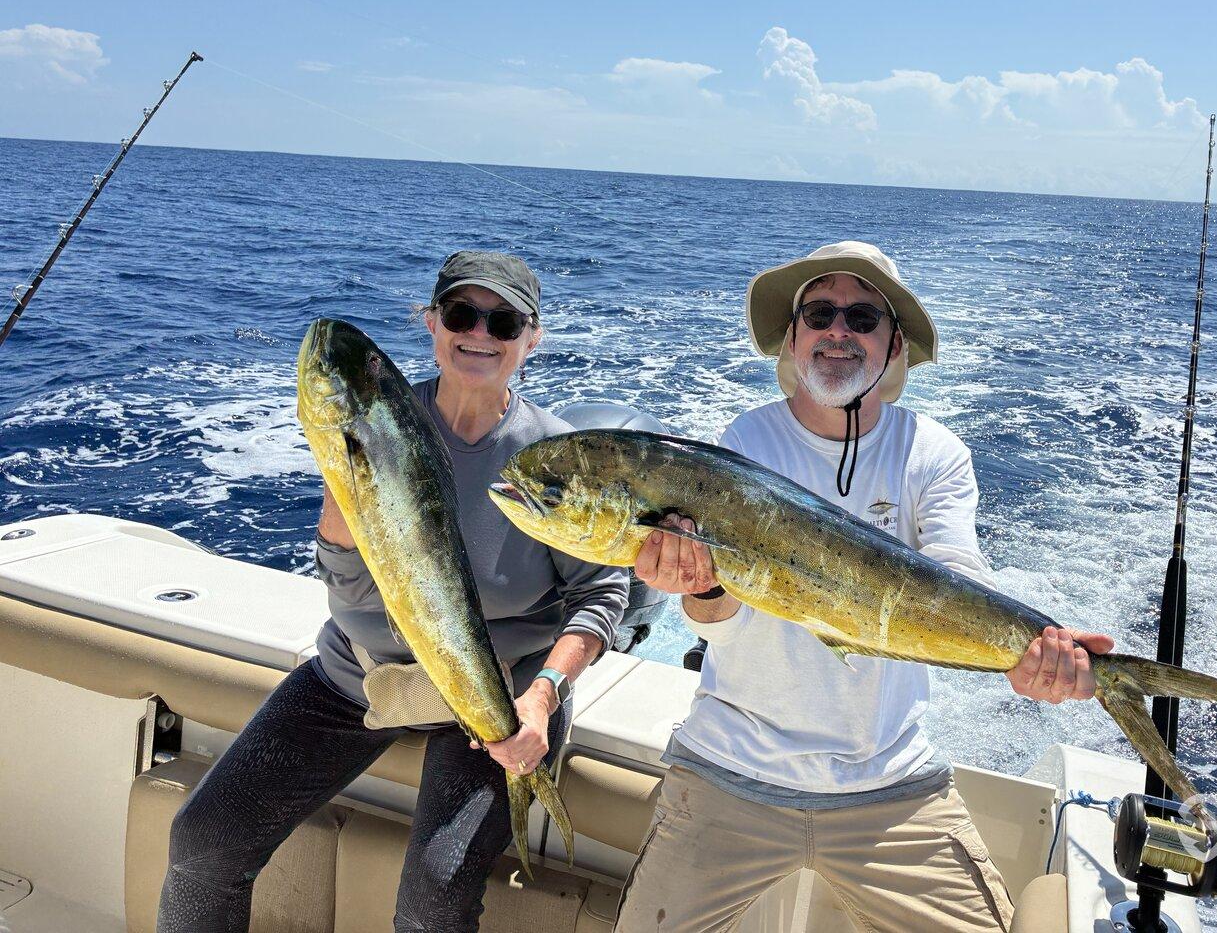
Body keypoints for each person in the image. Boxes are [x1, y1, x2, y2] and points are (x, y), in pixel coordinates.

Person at [617, 241, 1115, 933]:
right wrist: (698, 590)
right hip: (730, 774)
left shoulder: (934, 452)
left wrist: (1030, 652)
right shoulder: (746, 443)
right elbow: (719, 619)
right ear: (792, 339)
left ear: (894, 345)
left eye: (862, 317)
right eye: (818, 313)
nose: (838, 331)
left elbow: (958, 573)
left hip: (893, 789)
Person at [158, 251, 629, 933]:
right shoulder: (376, 423)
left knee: (434, 900)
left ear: (533, 338)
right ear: (432, 323)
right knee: (203, 840)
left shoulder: (557, 457)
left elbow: (601, 595)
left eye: (504, 322)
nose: (481, 333)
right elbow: (347, 584)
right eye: (463, 314)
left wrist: (543, 694)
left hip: (499, 692)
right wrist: (346, 486)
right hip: (360, 675)